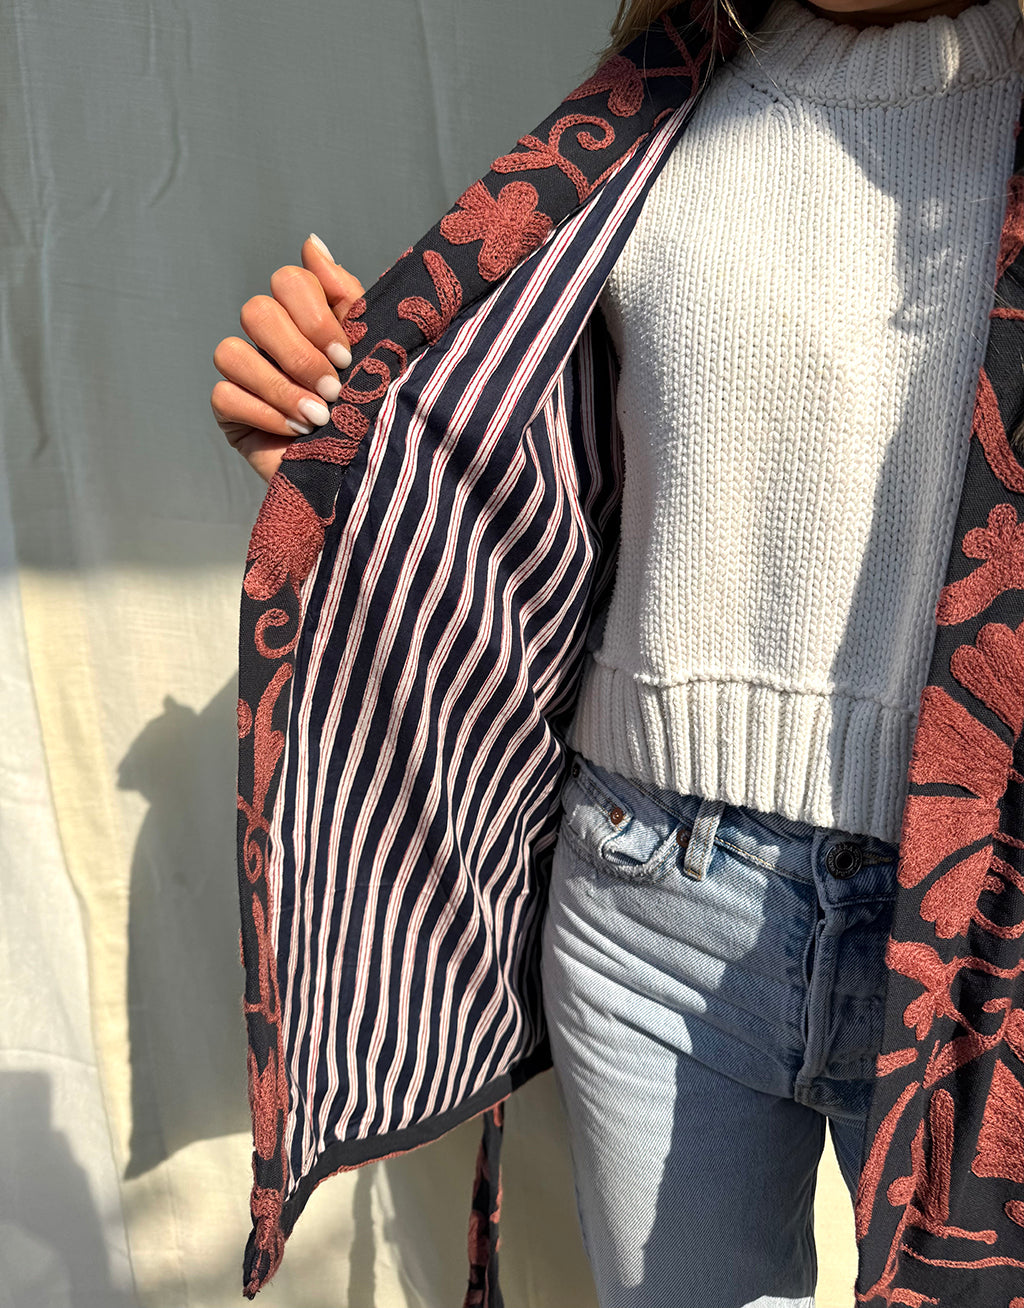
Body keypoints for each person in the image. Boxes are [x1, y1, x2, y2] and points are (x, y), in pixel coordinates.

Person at [211, 0, 1024, 1303]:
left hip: (979, 926)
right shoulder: (650, 108)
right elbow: (530, 490)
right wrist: (342, 454)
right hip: (647, 901)